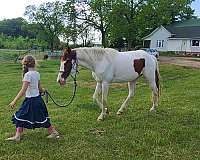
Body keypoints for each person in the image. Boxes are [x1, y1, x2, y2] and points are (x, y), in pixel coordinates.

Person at [6, 55, 59, 142]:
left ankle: (54, 132)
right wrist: (43, 90)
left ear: (25, 64)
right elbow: (39, 88)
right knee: (22, 116)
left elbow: (23, 90)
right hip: (37, 100)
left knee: (37, 117)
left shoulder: (27, 75)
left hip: (31, 101)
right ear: (34, 63)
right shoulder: (37, 73)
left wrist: (14, 101)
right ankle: (17, 136)